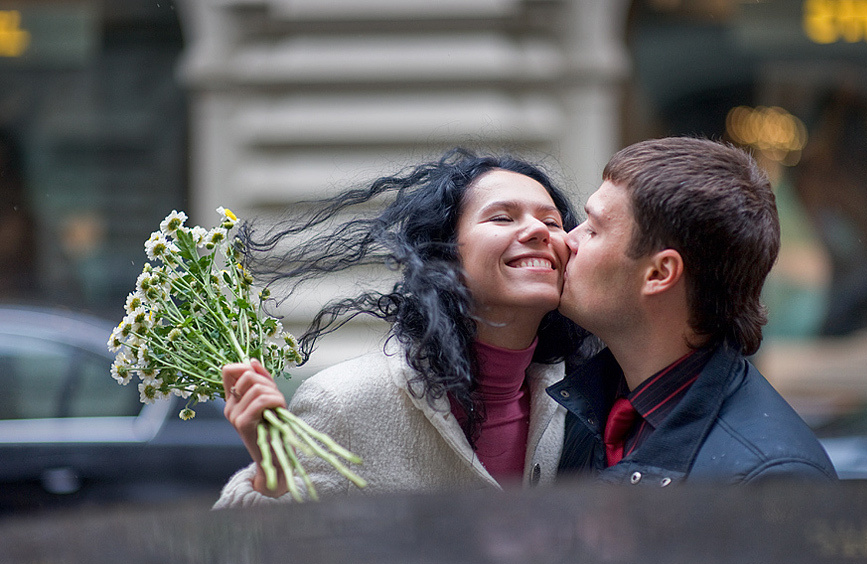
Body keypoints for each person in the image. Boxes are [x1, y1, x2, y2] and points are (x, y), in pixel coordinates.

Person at [214, 149, 592, 507]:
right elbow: (250, 556)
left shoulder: (583, 397)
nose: (538, 232)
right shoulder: (343, 402)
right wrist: (273, 476)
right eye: (502, 218)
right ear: (444, 257)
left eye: (551, 222)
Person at [549, 137, 837, 485]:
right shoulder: (587, 406)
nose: (569, 239)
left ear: (659, 274)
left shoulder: (771, 479)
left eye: (593, 229)